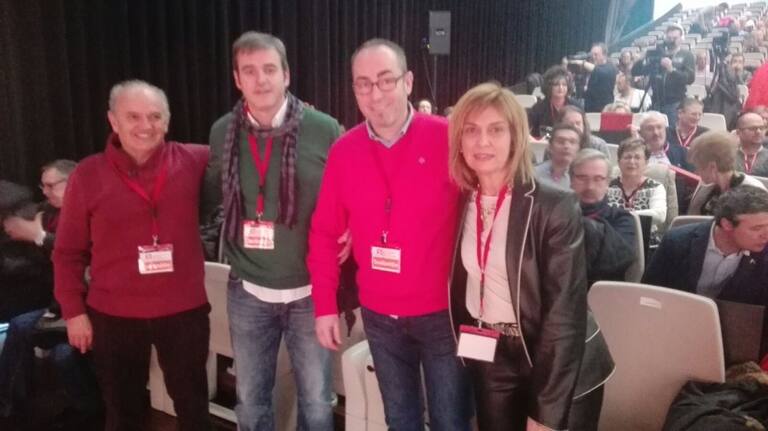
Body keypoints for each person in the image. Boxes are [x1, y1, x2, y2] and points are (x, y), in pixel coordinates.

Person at [308, 38, 471, 430]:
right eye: (363, 84)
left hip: (443, 315)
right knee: (399, 419)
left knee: (451, 421)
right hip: (380, 315)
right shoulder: (344, 151)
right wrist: (325, 305)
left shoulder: (448, 137)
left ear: (408, 82)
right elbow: (324, 232)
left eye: (385, 80)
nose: (375, 93)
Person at [447, 82, 613, 431]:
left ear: (516, 137)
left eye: (496, 130)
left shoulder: (554, 205)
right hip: (491, 351)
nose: (482, 141)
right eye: (471, 130)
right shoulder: (460, 200)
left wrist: (546, 410)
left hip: (555, 358)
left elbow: (564, 315)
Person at [201, 32, 342, 431]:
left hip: (311, 292)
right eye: (249, 71)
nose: (260, 79)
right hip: (248, 291)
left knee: (317, 402)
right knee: (250, 400)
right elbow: (211, 192)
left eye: (269, 69)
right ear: (237, 79)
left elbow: (346, 194)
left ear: (286, 75)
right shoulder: (222, 132)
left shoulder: (324, 129)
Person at [54, 80, 211, 431]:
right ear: (113, 120)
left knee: (194, 410)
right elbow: (67, 252)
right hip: (113, 316)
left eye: (155, 116)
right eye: (133, 116)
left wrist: (298, 118)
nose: (145, 126)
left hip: (183, 312)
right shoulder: (87, 174)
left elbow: (245, 149)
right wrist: (73, 312)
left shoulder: (194, 159)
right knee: (123, 413)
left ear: (167, 122)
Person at [0, 160, 102, 428]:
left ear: (73, 182)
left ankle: (89, 409)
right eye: (42, 186)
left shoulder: (94, 210)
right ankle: (10, 405)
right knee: (20, 325)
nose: (44, 192)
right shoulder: (48, 213)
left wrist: (38, 236)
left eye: (50, 185)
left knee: (63, 354)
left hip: (96, 307)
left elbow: (85, 253)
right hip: (63, 304)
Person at [643, 187, 768, 304]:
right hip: (676, 312)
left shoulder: (764, 253)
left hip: (734, 318)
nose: (765, 235)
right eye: (757, 228)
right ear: (727, 225)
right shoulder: (677, 242)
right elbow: (648, 294)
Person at [570, 149, 636, 285]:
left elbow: (615, 264)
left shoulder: (622, 219)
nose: (590, 186)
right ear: (570, 180)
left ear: (608, 183)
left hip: (601, 292)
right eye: (582, 178)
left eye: (598, 179)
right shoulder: (554, 215)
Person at [631, 24, 695, 130]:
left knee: (672, 131)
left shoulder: (686, 55)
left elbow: (690, 79)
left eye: (674, 38)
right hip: (656, 102)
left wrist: (672, 70)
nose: (671, 41)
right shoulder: (657, 54)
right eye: (669, 38)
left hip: (675, 103)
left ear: (681, 39)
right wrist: (641, 59)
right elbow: (636, 72)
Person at [687, 131, 767, 215]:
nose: (696, 172)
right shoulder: (706, 187)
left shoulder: (752, 193)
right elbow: (692, 217)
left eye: (698, 167)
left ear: (712, 167)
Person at [607, 139, 667, 246]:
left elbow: (660, 215)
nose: (632, 161)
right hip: (612, 241)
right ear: (619, 162)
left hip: (646, 242)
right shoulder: (607, 187)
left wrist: (623, 215)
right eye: (627, 157)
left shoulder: (656, 187)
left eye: (637, 157)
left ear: (646, 162)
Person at [528, 65, 580, 138]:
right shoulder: (538, 108)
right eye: (556, 84)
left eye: (564, 85)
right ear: (549, 86)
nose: (561, 88)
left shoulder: (576, 107)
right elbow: (529, 133)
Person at [569, 43, 618, 112]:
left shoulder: (610, 68)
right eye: (592, 54)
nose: (593, 57)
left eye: (596, 54)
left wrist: (582, 63)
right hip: (589, 106)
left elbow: (599, 71)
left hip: (603, 108)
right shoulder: (590, 68)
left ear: (604, 55)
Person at [534, 124, 581, 190]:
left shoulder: (583, 177)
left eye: (572, 142)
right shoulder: (533, 175)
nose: (566, 146)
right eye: (561, 141)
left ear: (578, 148)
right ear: (550, 147)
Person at [734, 112, 768, 177]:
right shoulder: (729, 158)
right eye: (752, 128)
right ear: (738, 132)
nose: (758, 132)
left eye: (762, 128)